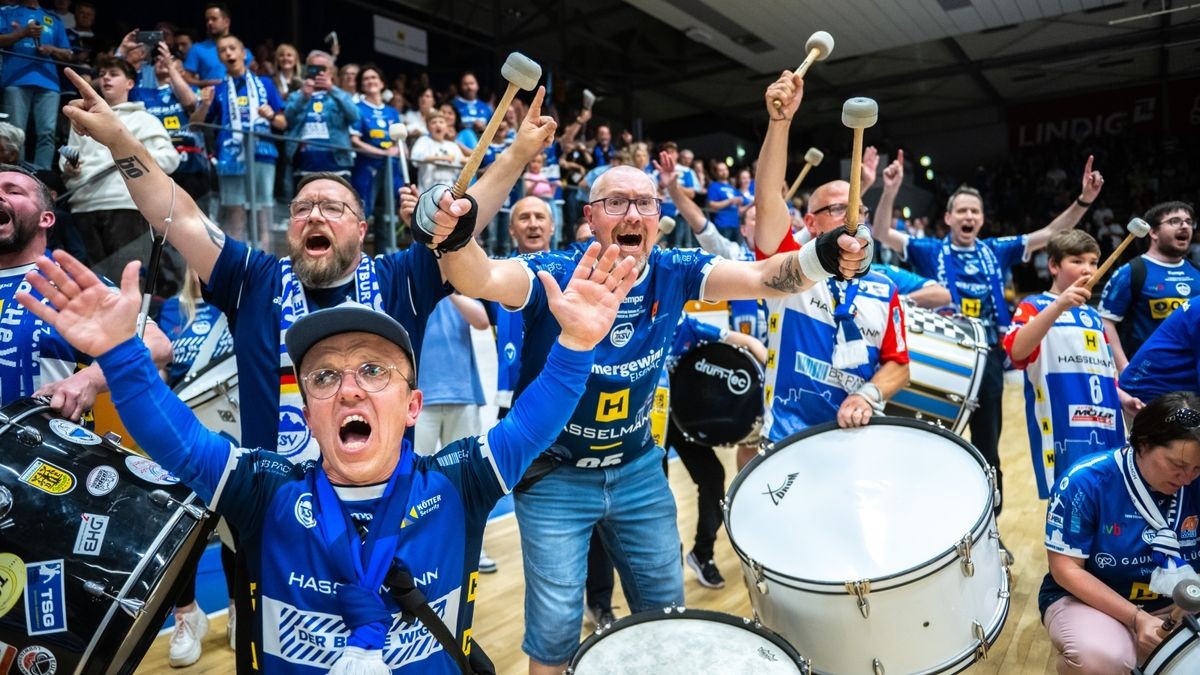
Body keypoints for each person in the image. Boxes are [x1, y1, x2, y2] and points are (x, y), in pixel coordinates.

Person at [58, 67, 515, 673]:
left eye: (333, 206)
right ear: (288, 227)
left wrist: (521, 152)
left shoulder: (402, 276)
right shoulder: (255, 279)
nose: (314, 215)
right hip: (273, 507)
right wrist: (121, 141)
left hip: (386, 504)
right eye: (302, 208)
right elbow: (180, 215)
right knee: (269, 655)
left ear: (359, 226)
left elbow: (464, 220)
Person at [408, 86, 871, 672]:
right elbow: (477, 277)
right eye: (616, 202)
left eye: (645, 203)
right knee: (551, 636)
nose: (632, 213)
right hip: (555, 481)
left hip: (637, 472)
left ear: (660, 218)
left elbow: (765, 277)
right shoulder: (554, 273)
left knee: (666, 616)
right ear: (589, 218)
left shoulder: (675, 271)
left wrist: (822, 256)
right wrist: (451, 233)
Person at [17, 240, 636, 674]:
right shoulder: (264, 489)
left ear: (414, 404)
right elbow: (176, 437)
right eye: (324, 378)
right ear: (308, 414)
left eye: (373, 370)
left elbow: (535, 420)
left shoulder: (459, 481)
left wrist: (578, 343)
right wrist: (121, 357)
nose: (350, 388)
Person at [873, 145, 1104, 514]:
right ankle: (927, 516)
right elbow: (881, 232)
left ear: (981, 219)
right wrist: (890, 190)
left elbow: (1050, 233)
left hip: (990, 357)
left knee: (987, 445)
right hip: (941, 352)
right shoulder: (928, 249)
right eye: (961, 210)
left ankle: (989, 526)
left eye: (974, 211)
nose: (968, 215)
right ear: (948, 217)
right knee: (930, 440)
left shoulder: (996, 250)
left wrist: (1083, 201)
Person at [752, 70, 909, 441]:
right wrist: (780, 122)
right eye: (839, 209)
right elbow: (768, 200)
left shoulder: (885, 288)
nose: (854, 216)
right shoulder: (790, 264)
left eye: (859, 210)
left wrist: (869, 394)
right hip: (786, 442)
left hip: (855, 441)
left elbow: (898, 365)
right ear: (812, 222)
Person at [1040, 392, 1200, 674]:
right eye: (1177, 465)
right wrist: (1137, 618)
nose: (1187, 477)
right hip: (1095, 603)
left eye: (1197, 468)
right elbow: (1065, 569)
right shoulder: (1085, 482)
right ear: (1143, 443)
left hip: (1182, 603)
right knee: (1100, 658)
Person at [0, 164, 171, 418]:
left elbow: (157, 345)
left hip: (44, 450)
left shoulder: (74, 284)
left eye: (13, 191)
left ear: (45, 218)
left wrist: (89, 379)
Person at [1004, 230, 1125, 499]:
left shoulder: (1094, 317)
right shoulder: (1033, 306)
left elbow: (1106, 374)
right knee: (1070, 513)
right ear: (1054, 266)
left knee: (1110, 507)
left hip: (1107, 425)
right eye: (1077, 261)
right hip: (1064, 428)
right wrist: (1059, 306)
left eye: (1093, 262)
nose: (1088, 269)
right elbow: (1016, 351)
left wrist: (1123, 398)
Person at [157, 267, 238, 664]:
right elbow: (158, 373)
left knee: (234, 525)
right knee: (184, 529)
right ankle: (186, 615)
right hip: (180, 433)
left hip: (231, 431)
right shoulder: (171, 311)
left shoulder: (240, 307)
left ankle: (240, 605)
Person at [60, 56, 180, 288]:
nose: (106, 77)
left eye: (114, 74)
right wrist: (69, 167)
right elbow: (69, 157)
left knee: (128, 281)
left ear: (130, 84)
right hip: (84, 205)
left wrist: (122, 160)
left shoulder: (145, 120)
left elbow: (169, 159)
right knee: (89, 285)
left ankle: (133, 325)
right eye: (103, 73)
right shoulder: (83, 119)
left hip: (126, 205)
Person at [198, 35, 285, 242]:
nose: (228, 53)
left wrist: (271, 115)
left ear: (243, 53)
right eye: (222, 50)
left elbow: (283, 123)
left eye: (232, 48)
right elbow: (198, 122)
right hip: (231, 156)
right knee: (234, 216)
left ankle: (266, 268)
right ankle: (237, 270)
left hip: (262, 152)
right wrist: (204, 105)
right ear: (219, 57)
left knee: (263, 214)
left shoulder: (265, 84)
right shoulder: (217, 89)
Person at [1099, 201, 1200, 372]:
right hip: (1150, 380)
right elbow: (1106, 321)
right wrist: (1124, 368)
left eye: (1189, 222)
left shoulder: (1196, 272)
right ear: (1153, 232)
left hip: (1192, 377)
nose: (1185, 226)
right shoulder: (1131, 272)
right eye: (1175, 221)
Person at [0, 0, 73, 169]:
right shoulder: (6, 12)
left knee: (47, 133)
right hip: (15, 79)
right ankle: (17, 173)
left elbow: (68, 54)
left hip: (49, 82)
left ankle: (42, 177)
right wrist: (22, 33)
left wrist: (51, 49)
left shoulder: (52, 18)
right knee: (16, 134)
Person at [132, 41, 209, 201]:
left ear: (180, 71)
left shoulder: (191, 91)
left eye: (172, 62)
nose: (163, 62)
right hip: (157, 164)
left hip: (190, 166)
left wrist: (170, 66)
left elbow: (191, 103)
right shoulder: (142, 92)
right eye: (159, 60)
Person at [284, 49, 359, 186]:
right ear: (307, 69)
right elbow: (288, 119)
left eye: (322, 68)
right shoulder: (296, 95)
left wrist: (332, 89)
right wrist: (303, 97)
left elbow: (354, 116)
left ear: (330, 72)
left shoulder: (340, 96)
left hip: (337, 162)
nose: (318, 72)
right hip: (304, 162)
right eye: (313, 67)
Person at [349, 64, 403, 245]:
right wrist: (382, 153)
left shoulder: (392, 112)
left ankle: (385, 258)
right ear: (361, 85)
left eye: (374, 78)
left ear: (382, 83)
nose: (370, 81)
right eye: (366, 79)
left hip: (390, 169)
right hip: (366, 169)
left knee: (387, 215)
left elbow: (400, 141)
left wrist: (397, 149)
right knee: (363, 213)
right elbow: (354, 140)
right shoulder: (357, 108)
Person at [183, 2, 252, 88]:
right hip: (211, 98)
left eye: (214, 19)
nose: (209, 23)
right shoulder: (197, 49)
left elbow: (253, 75)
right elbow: (185, 78)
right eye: (207, 20)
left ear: (226, 22)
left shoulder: (241, 50)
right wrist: (205, 83)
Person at [409, 110, 463, 192]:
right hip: (427, 190)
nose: (438, 125)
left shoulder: (452, 145)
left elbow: (461, 162)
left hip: (450, 190)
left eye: (441, 122)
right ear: (428, 127)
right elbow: (416, 158)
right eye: (433, 122)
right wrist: (442, 158)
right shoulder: (423, 140)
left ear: (446, 127)